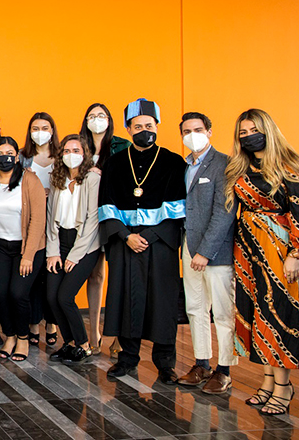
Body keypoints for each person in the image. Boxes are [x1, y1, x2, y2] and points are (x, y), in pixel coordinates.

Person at [228, 109, 299, 416]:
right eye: (242, 133)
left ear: (268, 130)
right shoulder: (242, 167)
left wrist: (295, 253)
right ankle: (266, 382)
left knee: (278, 315)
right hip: (247, 249)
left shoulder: (291, 166)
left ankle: (283, 387)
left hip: (279, 251)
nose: (248, 136)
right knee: (256, 314)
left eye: (253, 130)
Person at [98, 99, 186, 383]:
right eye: (138, 126)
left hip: (159, 243)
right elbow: (106, 206)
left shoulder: (173, 162)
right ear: (128, 128)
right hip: (126, 243)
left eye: (149, 126)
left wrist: (146, 236)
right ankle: (127, 358)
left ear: (157, 127)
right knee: (126, 299)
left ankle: (165, 363)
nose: (144, 130)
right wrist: (126, 236)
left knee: (162, 302)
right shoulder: (115, 163)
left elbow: (179, 210)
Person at [175, 112, 237, 393]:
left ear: (210, 131)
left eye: (197, 129)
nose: (192, 135)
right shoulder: (185, 166)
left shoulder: (224, 164)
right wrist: (191, 250)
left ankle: (224, 370)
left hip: (215, 253)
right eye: (186, 131)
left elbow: (224, 213)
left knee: (222, 313)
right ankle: (202, 364)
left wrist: (206, 252)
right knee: (195, 309)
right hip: (188, 247)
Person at [0, 136, 46, 361]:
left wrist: (28, 255)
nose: (4, 158)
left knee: (18, 294)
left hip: (27, 247)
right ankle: (8, 335)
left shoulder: (30, 180)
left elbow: (38, 220)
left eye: (9, 153)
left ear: (17, 156)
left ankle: (22, 338)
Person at [78, 103, 131, 356]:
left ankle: (119, 335)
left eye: (101, 116)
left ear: (109, 120)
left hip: (116, 215)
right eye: (91, 116)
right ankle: (94, 334)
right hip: (88, 216)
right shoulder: (78, 145)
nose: (96, 120)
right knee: (96, 276)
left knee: (119, 275)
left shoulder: (122, 145)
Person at [45, 135, 101, 365]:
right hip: (60, 242)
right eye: (66, 151)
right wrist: (53, 252)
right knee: (50, 297)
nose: (71, 155)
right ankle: (69, 343)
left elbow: (92, 220)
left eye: (75, 150)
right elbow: (51, 218)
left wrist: (76, 255)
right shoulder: (56, 179)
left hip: (85, 245)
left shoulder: (91, 179)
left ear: (84, 153)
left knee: (65, 296)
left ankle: (84, 345)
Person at [20, 112, 60, 348]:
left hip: (56, 221)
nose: (40, 131)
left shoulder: (61, 156)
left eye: (44, 127)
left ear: (52, 130)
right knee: (34, 276)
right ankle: (34, 323)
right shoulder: (24, 158)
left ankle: (52, 323)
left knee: (52, 275)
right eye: (35, 127)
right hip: (32, 221)